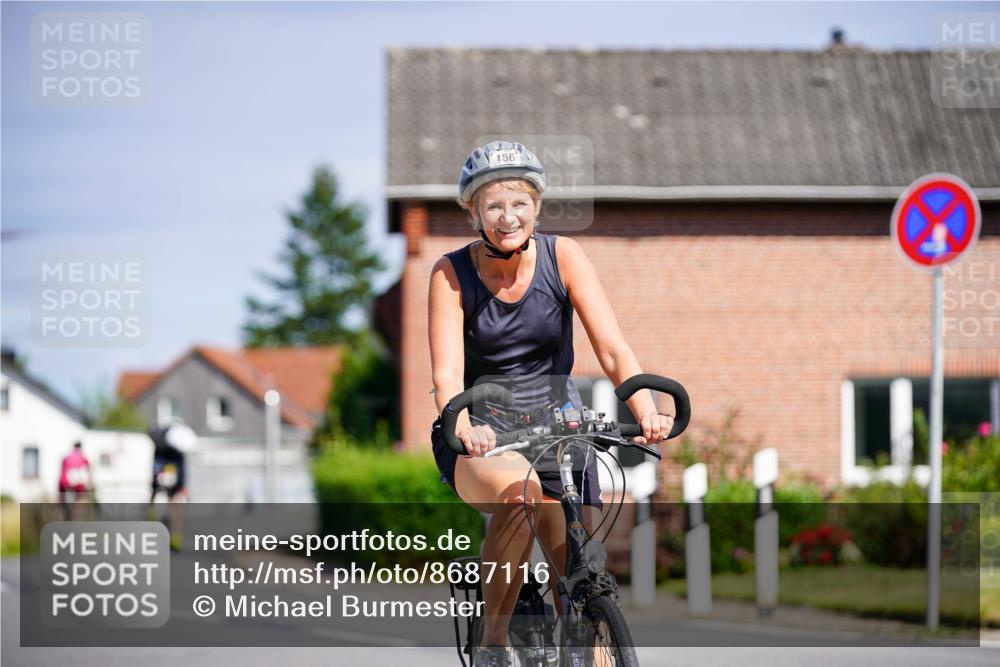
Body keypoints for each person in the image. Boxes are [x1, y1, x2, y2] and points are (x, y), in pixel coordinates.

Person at [428, 140, 675, 666]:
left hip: (558, 425)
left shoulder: (564, 256)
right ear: (473, 212)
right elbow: (447, 373)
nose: (508, 216)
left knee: (582, 581)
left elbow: (612, 348)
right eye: (493, 205)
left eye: (519, 203)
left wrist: (646, 406)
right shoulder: (450, 274)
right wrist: (464, 421)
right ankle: (494, 645)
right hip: (483, 429)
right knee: (520, 495)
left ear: (537, 206)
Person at [148, 421, 195, 551]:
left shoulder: (180, 450)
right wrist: (158, 477)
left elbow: (181, 469)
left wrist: (182, 487)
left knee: (176, 505)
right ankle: (152, 514)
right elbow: (156, 464)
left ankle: (175, 536)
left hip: (173, 475)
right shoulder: (161, 444)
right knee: (154, 493)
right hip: (161, 470)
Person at [58, 441, 93, 520]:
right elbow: (88, 471)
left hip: (65, 480)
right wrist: (90, 485)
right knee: (80, 497)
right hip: (77, 481)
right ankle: (77, 514)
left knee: (62, 498)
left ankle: (62, 512)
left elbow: (62, 472)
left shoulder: (66, 457)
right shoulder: (83, 457)